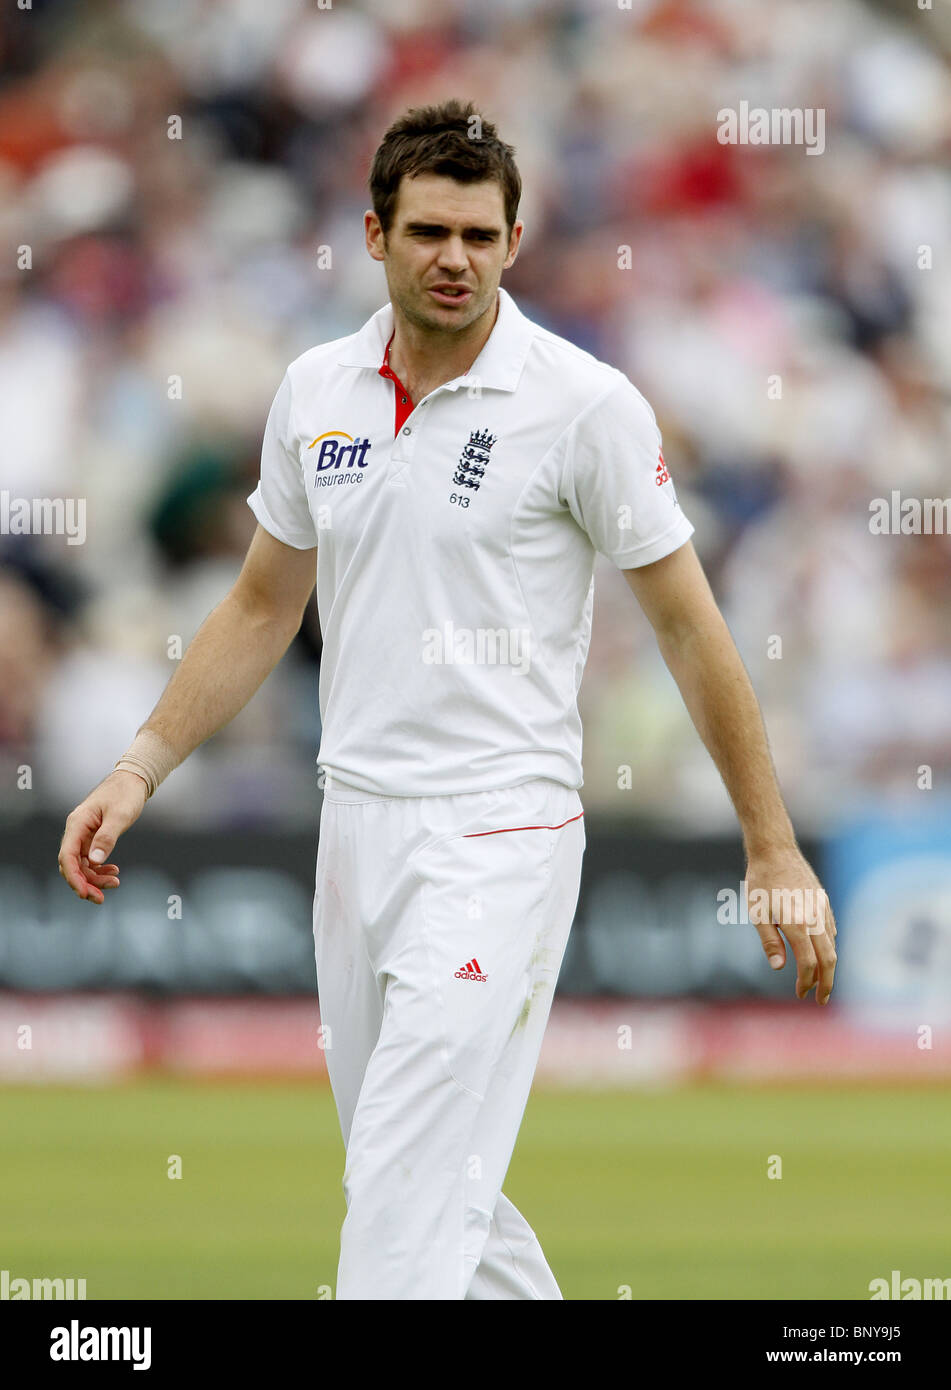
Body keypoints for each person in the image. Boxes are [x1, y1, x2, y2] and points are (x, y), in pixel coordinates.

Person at [57, 99, 836, 1300]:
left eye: (481, 234)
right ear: (374, 234)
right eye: (429, 231)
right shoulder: (319, 388)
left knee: (403, 1211)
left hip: (500, 832)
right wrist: (139, 763)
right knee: (426, 1195)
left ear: (516, 241)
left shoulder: (584, 406)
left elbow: (689, 625)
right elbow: (265, 604)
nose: (456, 259)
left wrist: (771, 843)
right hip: (354, 825)